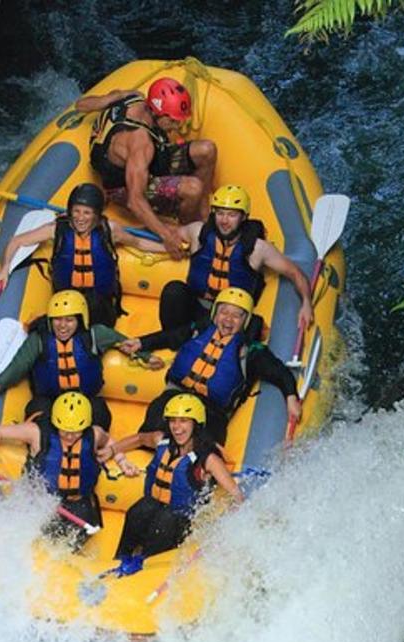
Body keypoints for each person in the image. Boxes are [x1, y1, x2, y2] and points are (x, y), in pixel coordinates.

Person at [119, 287, 302, 443]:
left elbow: (280, 372)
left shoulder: (250, 351)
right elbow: (171, 336)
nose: (228, 320)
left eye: (236, 316)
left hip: (211, 410)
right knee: (155, 422)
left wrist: (291, 397)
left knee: (201, 442)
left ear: (245, 321)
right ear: (215, 314)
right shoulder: (200, 330)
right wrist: (141, 343)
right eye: (224, 312)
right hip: (175, 395)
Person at [0, 289, 147, 431]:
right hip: (49, 400)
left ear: (80, 319)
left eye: (69, 320)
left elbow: (127, 343)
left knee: (99, 412)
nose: (62, 326)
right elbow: (16, 369)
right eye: (57, 320)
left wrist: (148, 357)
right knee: (37, 414)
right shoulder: (38, 339)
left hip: (85, 399)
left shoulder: (96, 334)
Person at [76, 77, 218, 255]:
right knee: (193, 188)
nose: (177, 125)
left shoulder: (132, 97)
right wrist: (166, 235)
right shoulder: (141, 143)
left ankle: (204, 214)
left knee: (207, 149)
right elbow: (135, 201)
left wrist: (113, 97)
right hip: (122, 186)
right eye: (173, 121)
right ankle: (190, 227)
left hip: (149, 160)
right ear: (159, 113)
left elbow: (81, 105)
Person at [0, 391, 136, 549]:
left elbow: (108, 440)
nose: (69, 436)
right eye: (64, 430)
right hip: (43, 500)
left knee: (74, 541)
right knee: (38, 539)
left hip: (78, 501)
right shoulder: (37, 432)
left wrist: (121, 460)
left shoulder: (94, 433)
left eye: (75, 432)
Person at [157, 184, 315, 333]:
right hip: (197, 304)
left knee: (254, 326)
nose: (224, 221)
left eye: (232, 215)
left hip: (230, 316)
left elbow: (295, 273)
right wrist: (135, 239)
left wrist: (306, 303)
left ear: (244, 217)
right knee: (174, 290)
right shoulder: (198, 231)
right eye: (220, 213)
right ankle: (173, 340)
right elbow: (171, 238)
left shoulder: (258, 248)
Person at [0, 182, 159, 326]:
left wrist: (167, 247)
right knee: (52, 326)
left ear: (96, 215)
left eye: (87, 213)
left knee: (90, 316)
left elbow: (139, 243)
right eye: (76, 211)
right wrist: (5, 267)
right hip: (66, 301)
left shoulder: (109, 230)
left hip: (100, 302)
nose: (80, 218)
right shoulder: (57, 229)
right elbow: (17, 241)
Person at [109, 393, 242, 560]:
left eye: (183, 421)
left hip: (179, 519)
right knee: (138, 511)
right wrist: (112, 450)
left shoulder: (208, 459)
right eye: (173, 421)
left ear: (196, 423)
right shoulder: (161, 440)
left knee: (164, 522)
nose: (177, 428)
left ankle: (147, 563)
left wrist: (227, 521)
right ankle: (120, 558)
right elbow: (140, 439)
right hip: (155, 506)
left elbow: (237, 495)